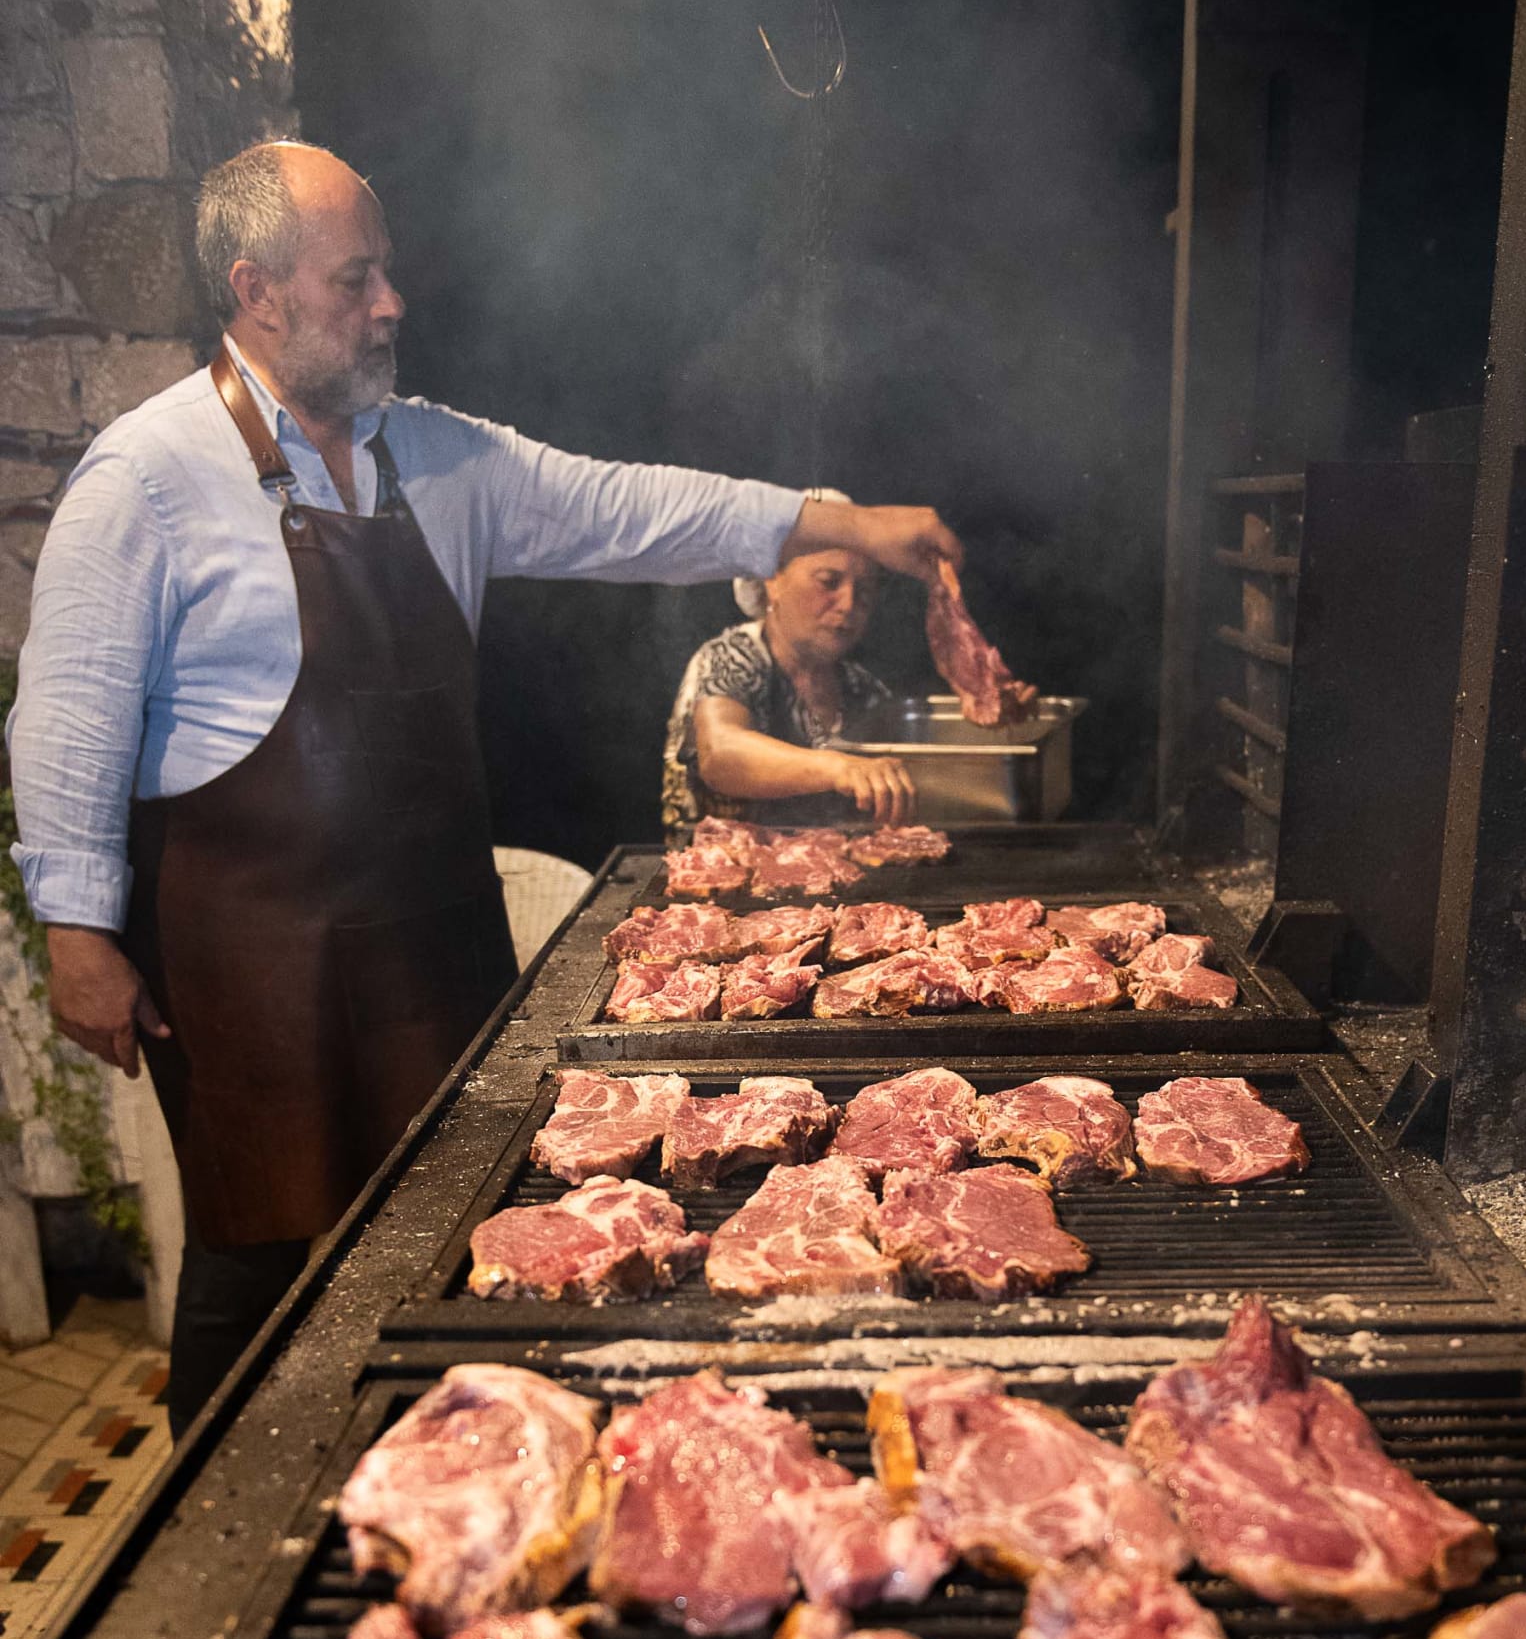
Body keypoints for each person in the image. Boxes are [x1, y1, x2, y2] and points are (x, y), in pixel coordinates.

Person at [6, 141, 960, 1436]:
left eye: (387, 273)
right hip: (248, 954)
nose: (392, 304)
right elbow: (69, 713)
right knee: (260, 1247)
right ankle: (217, 1513)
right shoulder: (149, 474)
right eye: (358, 279)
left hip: (429, 932)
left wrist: (829, 521)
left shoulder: (434, 460)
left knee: (455, 1223)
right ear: (257, 291)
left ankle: (441, 1470)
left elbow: (626, 509)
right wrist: (78, 933)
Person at [662, 491, 915, 831]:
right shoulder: (733, 656)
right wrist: (838, 768)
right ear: (772, 580)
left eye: (865, 589)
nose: (848, 603)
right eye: (829, 581)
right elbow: (720, 753)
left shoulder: (862, 688)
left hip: (827, 872)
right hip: (726, 873)